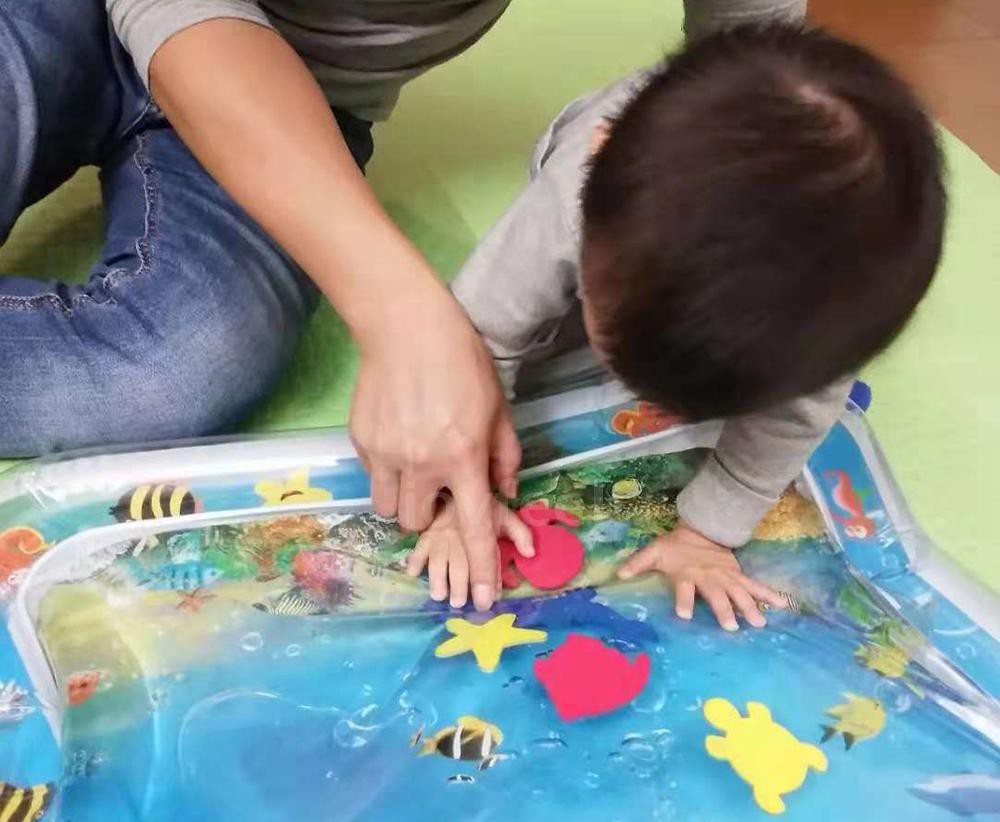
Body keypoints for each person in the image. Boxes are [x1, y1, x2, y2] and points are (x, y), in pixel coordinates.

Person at [0, 0, 808, 613]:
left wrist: (709, 528)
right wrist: (409, 321)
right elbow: (491, 324)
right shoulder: (575, 198)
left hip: (298, 97)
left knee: (175, 368)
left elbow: (757, 61)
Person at [407, 24, 945, 629]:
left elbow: (795, 416)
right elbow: (480, 333)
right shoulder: (575, 195)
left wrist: (708, 533)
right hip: (585, 180)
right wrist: (466, 495)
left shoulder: (843, 300)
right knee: (525, 344)